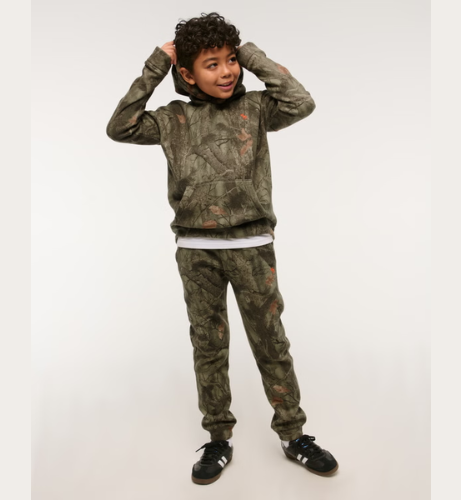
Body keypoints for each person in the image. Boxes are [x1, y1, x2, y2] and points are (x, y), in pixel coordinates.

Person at [106, 12, 338, 485]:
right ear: (188, 74)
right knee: (208, 345)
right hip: (196, 251)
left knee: (271, 341)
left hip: (252, 246)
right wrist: (156, 65)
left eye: (231, 60)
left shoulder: (257, 108)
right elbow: (121, 126)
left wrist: (250, 54)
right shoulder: (173, 119)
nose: (227, 71)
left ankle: (293, 434)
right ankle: (218, 437)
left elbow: (301, 101)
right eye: (212, 64)